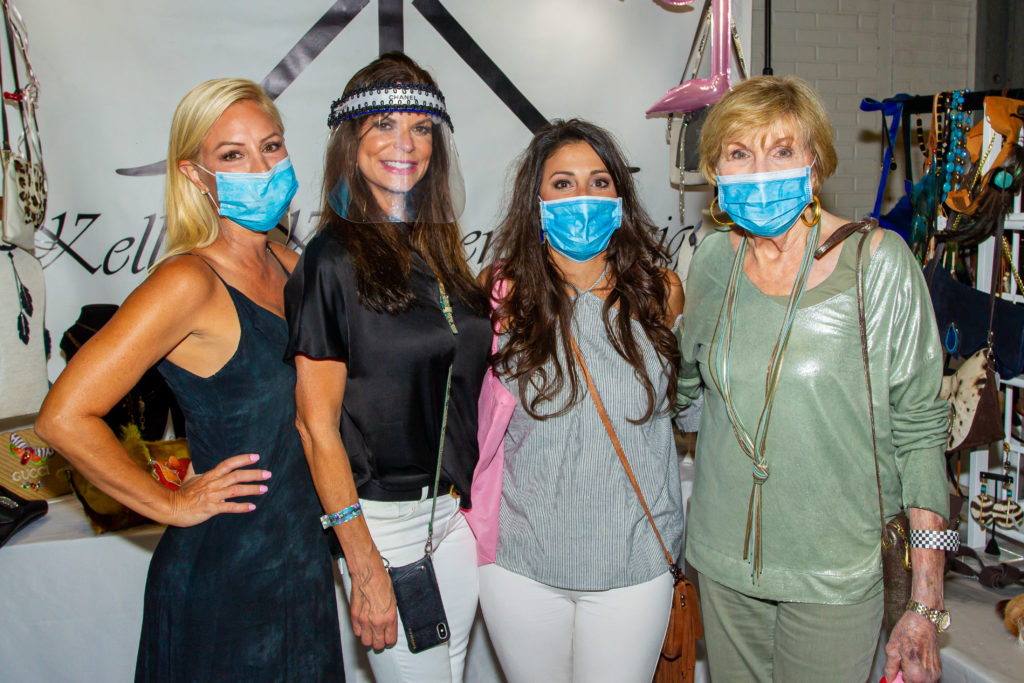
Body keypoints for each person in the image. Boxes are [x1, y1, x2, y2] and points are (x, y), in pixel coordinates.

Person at [36, 79, 344, 681]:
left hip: (302, 560)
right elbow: (62, 416)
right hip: (226, 573)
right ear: (195, 174)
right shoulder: (188, 282)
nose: (260, 166)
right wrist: (168, 502)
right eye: (232, 154)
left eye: (271, 146)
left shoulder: (292, 265)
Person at [678, 75, 952, 683]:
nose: (759, 170)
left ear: (816, 162)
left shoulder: (877, 264)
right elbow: (687, 389)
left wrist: (927, 599)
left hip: (837, 571)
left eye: (781, 150)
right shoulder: (713, 260)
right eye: (738, 153)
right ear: (716, 172)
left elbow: (922, 433)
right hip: (724, 566)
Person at [285, 52, 490, 683]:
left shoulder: (438, 250)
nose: (405, 144)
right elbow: (315, 427)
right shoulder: (331, 259)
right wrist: (364, 563)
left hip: (452, 523)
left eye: (421, 127)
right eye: (383, 124)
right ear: (352, 141)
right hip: (384, 530)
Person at [474, 118, 686, 683]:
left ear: (619, 194)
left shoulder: (659, 292)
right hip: (522, 564)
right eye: (563, 183)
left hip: (636, 561)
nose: (583, 197)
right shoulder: (502, 294)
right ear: (536, 199)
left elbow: (681, 412)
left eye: (599, 181)